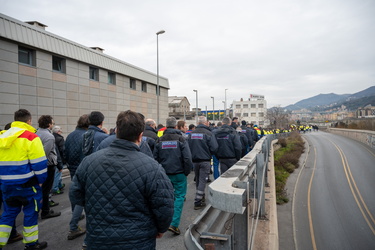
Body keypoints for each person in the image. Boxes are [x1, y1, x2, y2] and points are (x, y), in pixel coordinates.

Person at [70, 110, 174, 249]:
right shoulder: (152, 167)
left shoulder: (89, 162)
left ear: (117, 131)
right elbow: (164, 205)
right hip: (139, 240)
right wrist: (161, 228)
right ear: (140, 136)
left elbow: (75, 194)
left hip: (98, 238)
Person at [0, 109, 48, 249]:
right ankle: (31, 244)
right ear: (29, 121)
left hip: (6, 184)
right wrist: (41, 180)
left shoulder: (2, 136)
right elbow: (39, 163)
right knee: (30, 213)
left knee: (8, 214)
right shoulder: (31, 137)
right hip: (28, 184)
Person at [154, 117, 193, 235]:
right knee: (179, 197)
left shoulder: (159, 140)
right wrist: (186, 171)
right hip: (179, 173)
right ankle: (174, 224)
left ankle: (163, 223)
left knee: (166, 197)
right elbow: (187, 157)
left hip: (164, 173)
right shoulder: (181, 139)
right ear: (176, 126)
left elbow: (155, 158)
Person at [64, 115, 89, 241]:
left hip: (72, 168)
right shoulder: (86, 136)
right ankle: (73, 226)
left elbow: (65, 151)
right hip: (82, 169)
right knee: (83, 198)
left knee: (76, 194)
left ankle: (75, 217)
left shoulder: (71, 135)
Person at [187, 116, 218, 210]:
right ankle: (198, 201)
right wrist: (209, 153)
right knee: (202, 180)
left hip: (194, 161)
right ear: (205, 123)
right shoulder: (208, 133)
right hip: (205, 160)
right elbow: (214, 147)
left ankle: (201, 196)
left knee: (198, 180)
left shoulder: (191, 134)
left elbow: (187, 146)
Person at [36, 115, 61, 220]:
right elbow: (45, 153)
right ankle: (45, 211)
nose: (53, 124)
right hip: (48, 165)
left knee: (41, 189)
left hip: (39, 165)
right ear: (49, 124)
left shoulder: (36, 133)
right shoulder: (49, 136)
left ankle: (40, 209)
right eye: (52, 123)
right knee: (46, 189)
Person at [51, 125, 66, 195]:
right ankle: (55, 188)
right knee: (58, 173)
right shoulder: (60, 138)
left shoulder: (52, 137)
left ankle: (59, 185)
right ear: (58, 131)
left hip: (53, 158)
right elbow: (62, 150)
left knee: (57, 173)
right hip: (59, 158)